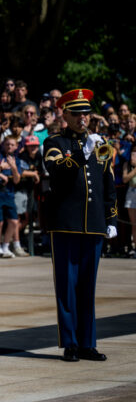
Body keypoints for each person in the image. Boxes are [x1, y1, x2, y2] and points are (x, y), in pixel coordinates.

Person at [42, 89, 117, 362]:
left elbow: (108, 184)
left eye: (86, 113)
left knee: (88, 287)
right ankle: (71, 342)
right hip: (65, 225)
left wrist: (110, 219)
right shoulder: (55, 142)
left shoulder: (101, 143)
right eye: (76, 113)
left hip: (94, 225)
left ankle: (88, 343)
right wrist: (81, 154)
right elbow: (56, 169)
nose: (82, 118)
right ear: (65, 115)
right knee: (67, 286)